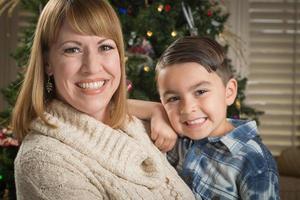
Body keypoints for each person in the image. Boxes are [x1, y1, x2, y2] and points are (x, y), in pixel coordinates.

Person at [11, 0, 196, 199]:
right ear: (48, 63)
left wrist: (156, 110)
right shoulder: (43, 161)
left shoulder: (138, 126)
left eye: (105, 47)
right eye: (72, 49)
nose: (92, 67)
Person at [130, 36, 280, 199]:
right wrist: (155, 110)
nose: (187, 109)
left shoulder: (253, 160)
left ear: (228, 92)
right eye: (173, 98)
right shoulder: (176, 136)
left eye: (200, 92)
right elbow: (112, 106)